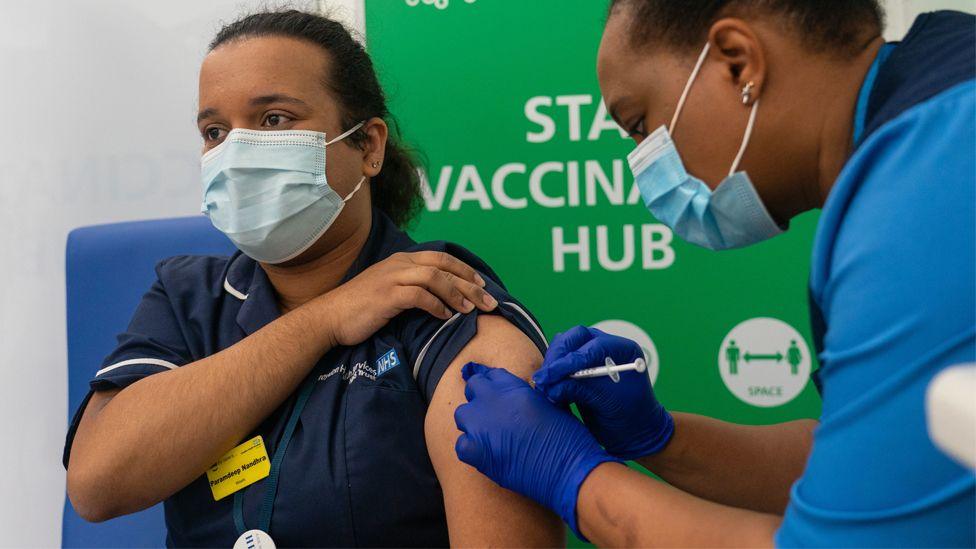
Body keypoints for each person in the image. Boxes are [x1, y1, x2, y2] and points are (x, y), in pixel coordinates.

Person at [453, 1, 975, 547]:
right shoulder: (933, 107)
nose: (644, 172)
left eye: (640, 125)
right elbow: (876, 465)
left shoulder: (927, 183)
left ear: (738, 62)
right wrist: (659, 438)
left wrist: (572, 477)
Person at [63, 10, 563, 547]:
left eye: (274, 119)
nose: (236, 152)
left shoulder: (442, 300)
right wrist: (323, 320)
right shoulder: (189, 298)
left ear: (368, 146)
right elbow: (96, 483)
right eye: (215, 131)